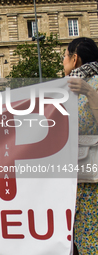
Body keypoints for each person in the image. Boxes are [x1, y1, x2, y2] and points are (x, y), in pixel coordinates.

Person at [64, 37, 98, 255]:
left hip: (90, 181)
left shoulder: (90, 86)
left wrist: (90, 92)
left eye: (64, 57)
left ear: (74, 59)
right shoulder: (65, 87)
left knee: (88, 241)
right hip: (69, 179)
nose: (63, 63)